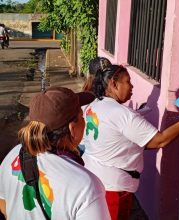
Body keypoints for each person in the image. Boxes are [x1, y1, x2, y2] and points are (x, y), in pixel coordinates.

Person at [81, 64, 179, 219]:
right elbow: (160, 141)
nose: (132, 87)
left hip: (95, 179)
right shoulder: (122, 114)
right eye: (128, 82)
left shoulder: (94, 105)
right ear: (113, 83)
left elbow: (112, 138)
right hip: (113, 189)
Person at [0, 87, 110, 219]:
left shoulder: (13, 155)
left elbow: (4, 206)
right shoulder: (86, 186)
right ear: (72, 129)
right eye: (81, 116)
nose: (85, 121)